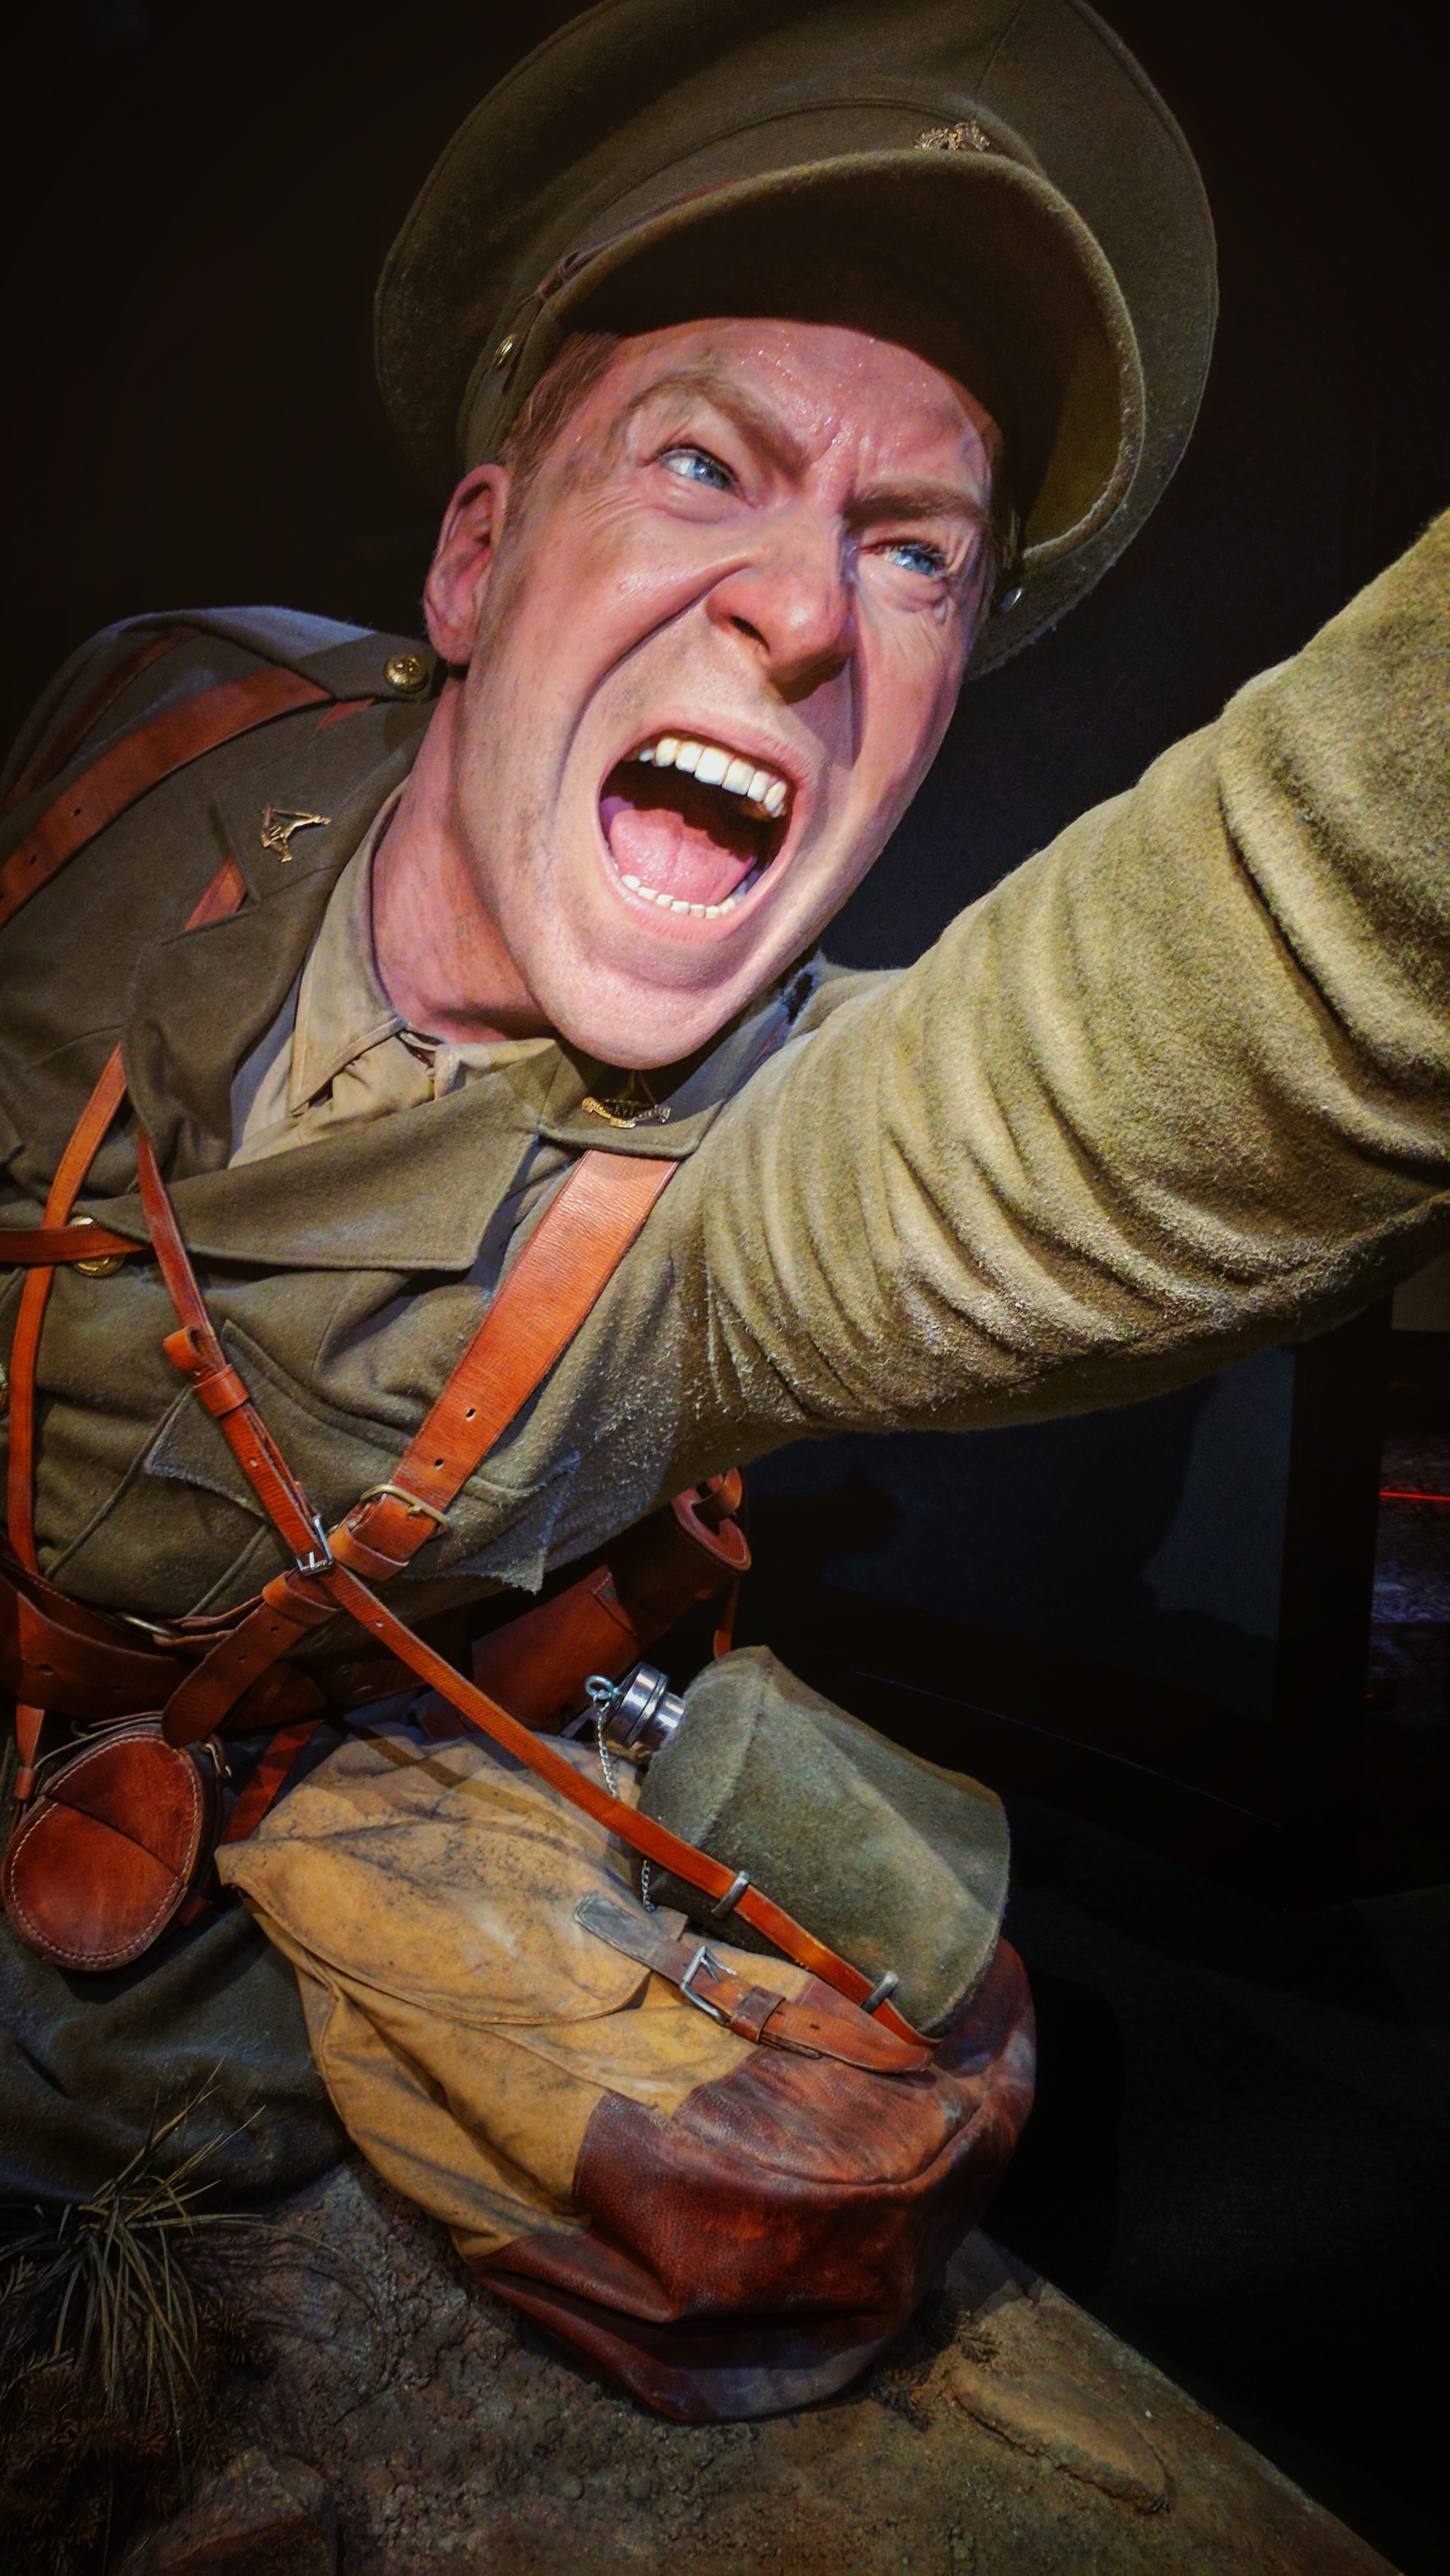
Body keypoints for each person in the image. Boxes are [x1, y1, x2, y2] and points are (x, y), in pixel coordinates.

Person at [1, 0, 1446, 2203]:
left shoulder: (759, 1198)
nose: (799, 612)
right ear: (476, 559)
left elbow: (1284, 969)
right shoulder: (173, 714)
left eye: (915, 551)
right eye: (704, 462)